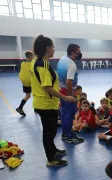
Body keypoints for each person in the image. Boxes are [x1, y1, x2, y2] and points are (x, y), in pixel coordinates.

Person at [30, 35, 76, 167]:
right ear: (47, 48)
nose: (54, 50)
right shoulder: (42, 64)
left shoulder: (35, 61)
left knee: (51, 130)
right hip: (46, 104)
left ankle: (53, 150)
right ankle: (51, 159)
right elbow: (47, 87)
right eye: (53, 47)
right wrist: (65, 97)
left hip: (43, 102)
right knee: (49, 132)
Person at [57, 44, 84, 144]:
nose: (80, 54)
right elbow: (68, 82)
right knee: (69, 113)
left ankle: (65, 133)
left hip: (61, 89)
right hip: (68, 90)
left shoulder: (63, 58)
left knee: (64, 113)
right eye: (78, 52)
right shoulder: (72, 65)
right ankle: (68, 135)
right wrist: (71, 95)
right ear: (73, 53)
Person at [16, 50, 34, 116]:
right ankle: (37, 109)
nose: (34, 57)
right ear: (30, 56)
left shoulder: (23, 63)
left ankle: (20, 108)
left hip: (24, 81)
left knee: (27, 95)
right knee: (35, 94)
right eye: (33, 56)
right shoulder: (31, 63)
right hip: (29, 81)